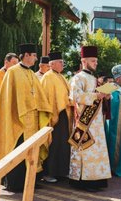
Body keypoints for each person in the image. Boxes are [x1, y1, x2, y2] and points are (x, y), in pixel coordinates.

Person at [0, 43, 52, 192]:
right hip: (17, 120)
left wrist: (44, 109)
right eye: (34, 56)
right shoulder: (12, 72)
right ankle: (14, 183)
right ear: (26, 55)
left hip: (32, 121)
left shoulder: (32, 74)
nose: (35, 59)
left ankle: (29, 180)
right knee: (16, 150)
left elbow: (39, 96)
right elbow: (7, 100)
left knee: (31, 152)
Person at [69, 46, 111, 192]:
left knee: (96, 150)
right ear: (84, 61)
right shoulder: (77, 78)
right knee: (85, 150)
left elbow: (97, 97)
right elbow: (75, 97)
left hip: (97, 121)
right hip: (84, 121)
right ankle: (83, 182)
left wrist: (105, 95)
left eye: (96, 61)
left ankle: (96, 180)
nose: (96, 63)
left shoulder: (94, 78)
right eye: (93, 61)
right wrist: (95, 96)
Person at [40, 52, 72, 183]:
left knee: (64, 144)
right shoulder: (48, 77)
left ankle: (61, 171)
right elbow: (47, 98)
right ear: (51, 64)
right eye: (60, 62)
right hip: (53, 116)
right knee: (53, 144)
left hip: (64, 114)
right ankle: (49, 173)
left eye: (62, 62)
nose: (62, 64)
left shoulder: (61, 77)